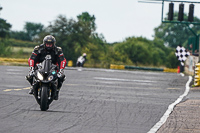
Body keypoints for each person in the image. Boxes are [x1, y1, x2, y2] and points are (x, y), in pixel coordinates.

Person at [26, 35, 67, 100]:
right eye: (47, 44)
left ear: (53, 44)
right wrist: (31, 68)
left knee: (61, 77)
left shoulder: (58, 50)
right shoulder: (38, 48)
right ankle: (32, 86)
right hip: (40, 66)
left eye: (50, 44)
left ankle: (57, 90)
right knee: (29, 76)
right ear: (44, 43)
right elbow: (31, 59)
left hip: (53, 67)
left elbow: (63, 60)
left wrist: (61, 70)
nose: (49, 46)